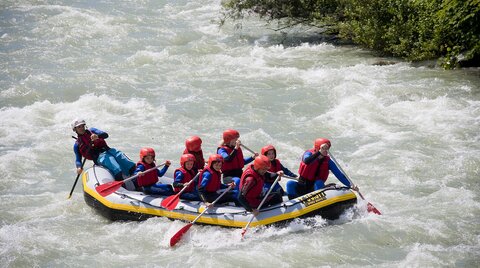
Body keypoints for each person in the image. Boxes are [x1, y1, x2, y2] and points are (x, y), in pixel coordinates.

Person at [285, 138, 359, 199]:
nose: (326, 150)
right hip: (302, 185)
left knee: (319, 182)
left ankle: (319, 204)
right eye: (324, 148)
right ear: (318, 148)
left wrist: (350, 185)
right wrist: (319, 152)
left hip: (314, 188)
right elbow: (306, 161)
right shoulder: (308, 154)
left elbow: (339, 175)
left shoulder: (328, 161)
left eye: (327, 148)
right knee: (290, 184)